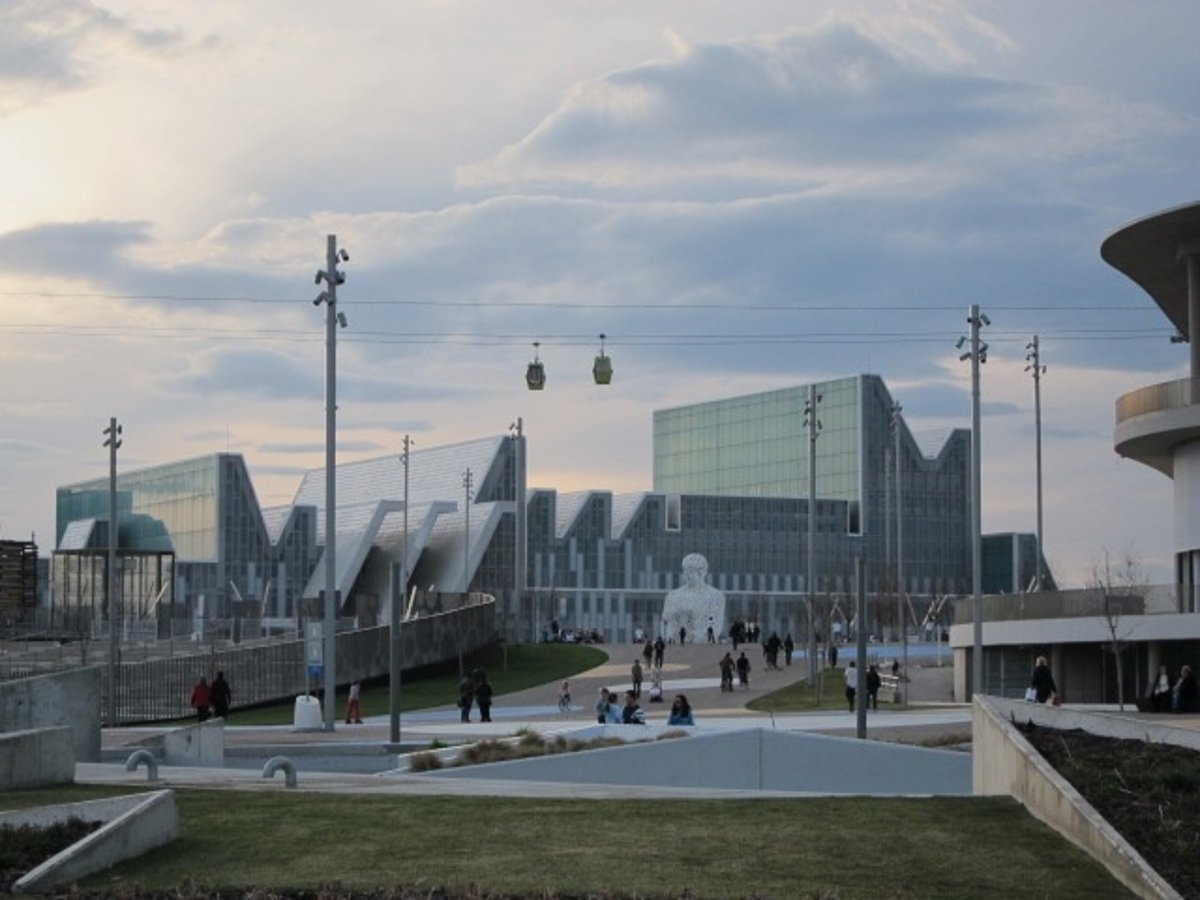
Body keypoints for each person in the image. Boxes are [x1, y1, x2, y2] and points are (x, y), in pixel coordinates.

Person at [662, 553, 727, 645]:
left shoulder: (715, 596)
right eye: (685, 571)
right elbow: (667, 620)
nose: (686, 575)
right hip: (677, 639)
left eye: (691, 572)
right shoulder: (673, 596)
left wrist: (698, 636)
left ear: (702, 573)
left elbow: (716, 623)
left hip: (701, 642)